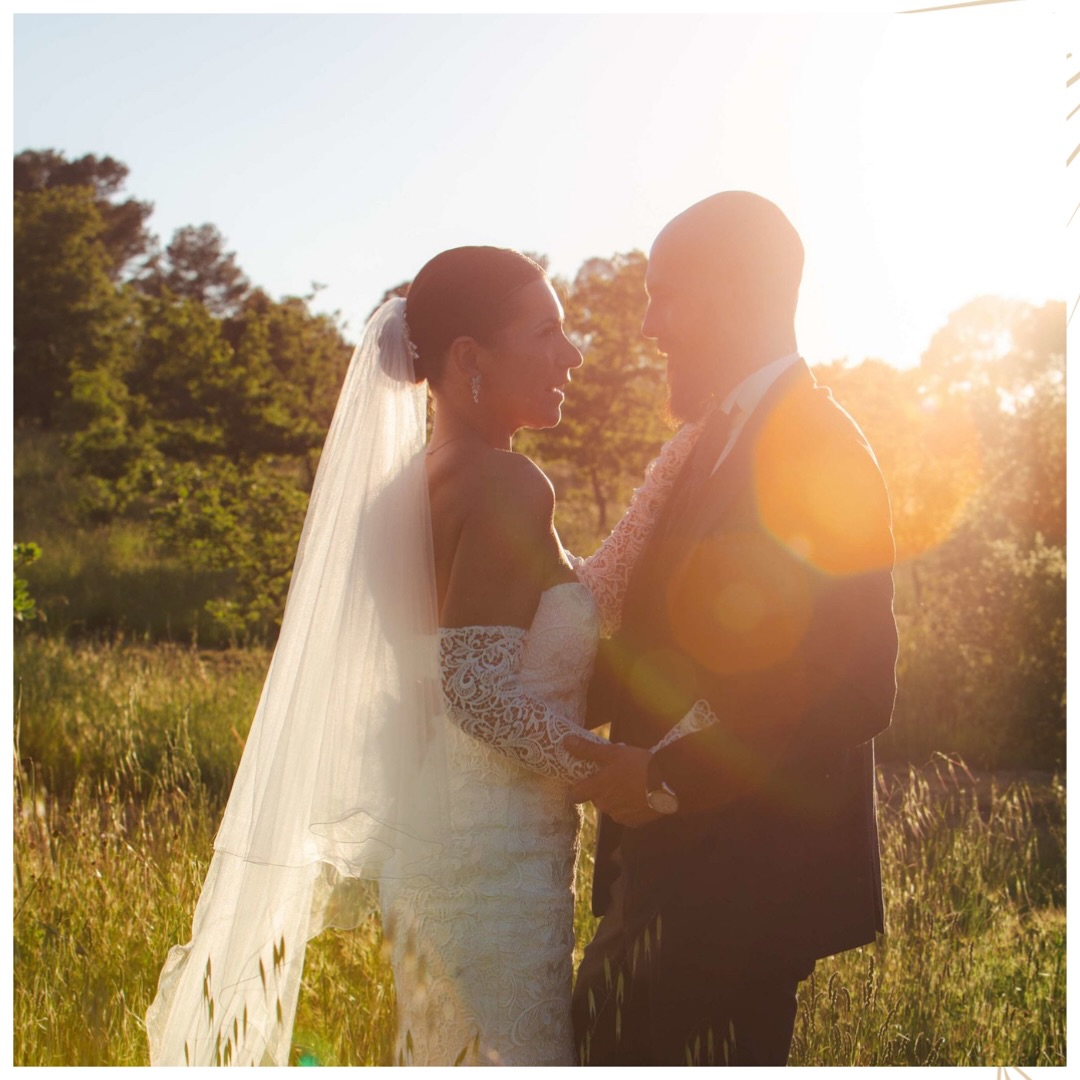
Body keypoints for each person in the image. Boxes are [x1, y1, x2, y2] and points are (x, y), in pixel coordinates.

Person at [145, 246, 703, 1067]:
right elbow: (473, 689)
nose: (573, 355)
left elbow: (569, 606)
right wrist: (616, 765)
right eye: (546, 332)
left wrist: (680, 457)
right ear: (470, 358)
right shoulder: (510, 483)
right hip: (497, 860)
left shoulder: (396, 500)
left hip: (435, 853)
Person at [566, 192, 899, 1067]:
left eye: (663, 296)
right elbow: (660, 646)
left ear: (732, 290)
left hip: (740, 898)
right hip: (661, 879)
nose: (648, 327)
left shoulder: (820, 445)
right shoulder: (707, 440)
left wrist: (665, 778)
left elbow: (855, 683)